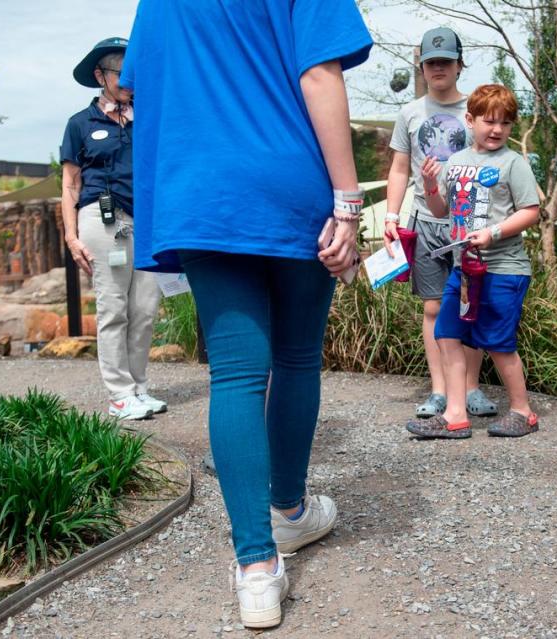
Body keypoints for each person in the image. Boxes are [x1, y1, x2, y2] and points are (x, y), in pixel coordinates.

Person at [120, 0, 371, 629]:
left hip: (200, 190)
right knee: (295, 357)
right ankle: (287, 512)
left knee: (235, 374)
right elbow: (319, 74)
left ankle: (255, 569)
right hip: (288, 180)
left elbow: (142, 92)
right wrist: (347, 198)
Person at [406, 84, 541, 439]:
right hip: (462, 270)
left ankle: (522, 411)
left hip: (502, 270)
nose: (496, 129)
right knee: (448, 334)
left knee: (498, 343)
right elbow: (442, 212)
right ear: (470, 120)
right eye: (489, 121)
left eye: (505, 123)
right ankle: (455, 414)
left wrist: (493, 233)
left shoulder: (513, 164)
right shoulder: (457, 162)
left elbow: (531, 211)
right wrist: (431, 186)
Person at [382, 27, 498, 421]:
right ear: (423, 67)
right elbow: (399, 168)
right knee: (433, 306)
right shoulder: (410, 113)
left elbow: (495, 161)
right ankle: (438, 390)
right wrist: (391, 217)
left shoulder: (477, 109)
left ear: (459, 65)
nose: (439, 68)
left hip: (471, 223)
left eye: (446, 61)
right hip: (426, 221)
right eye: (431, 62)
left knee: (471, 304)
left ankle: (470, 389)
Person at [60, 37, 165, 421]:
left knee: (145, 309)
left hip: (148, 221)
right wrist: (71, 238)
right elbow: (70, 185)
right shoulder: (80, 124)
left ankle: (138, 386)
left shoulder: (148, 118)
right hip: (103, 222)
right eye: (122, 71)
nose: (129, 77)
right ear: (100, 75)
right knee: (114, 308)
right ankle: (119, 394)